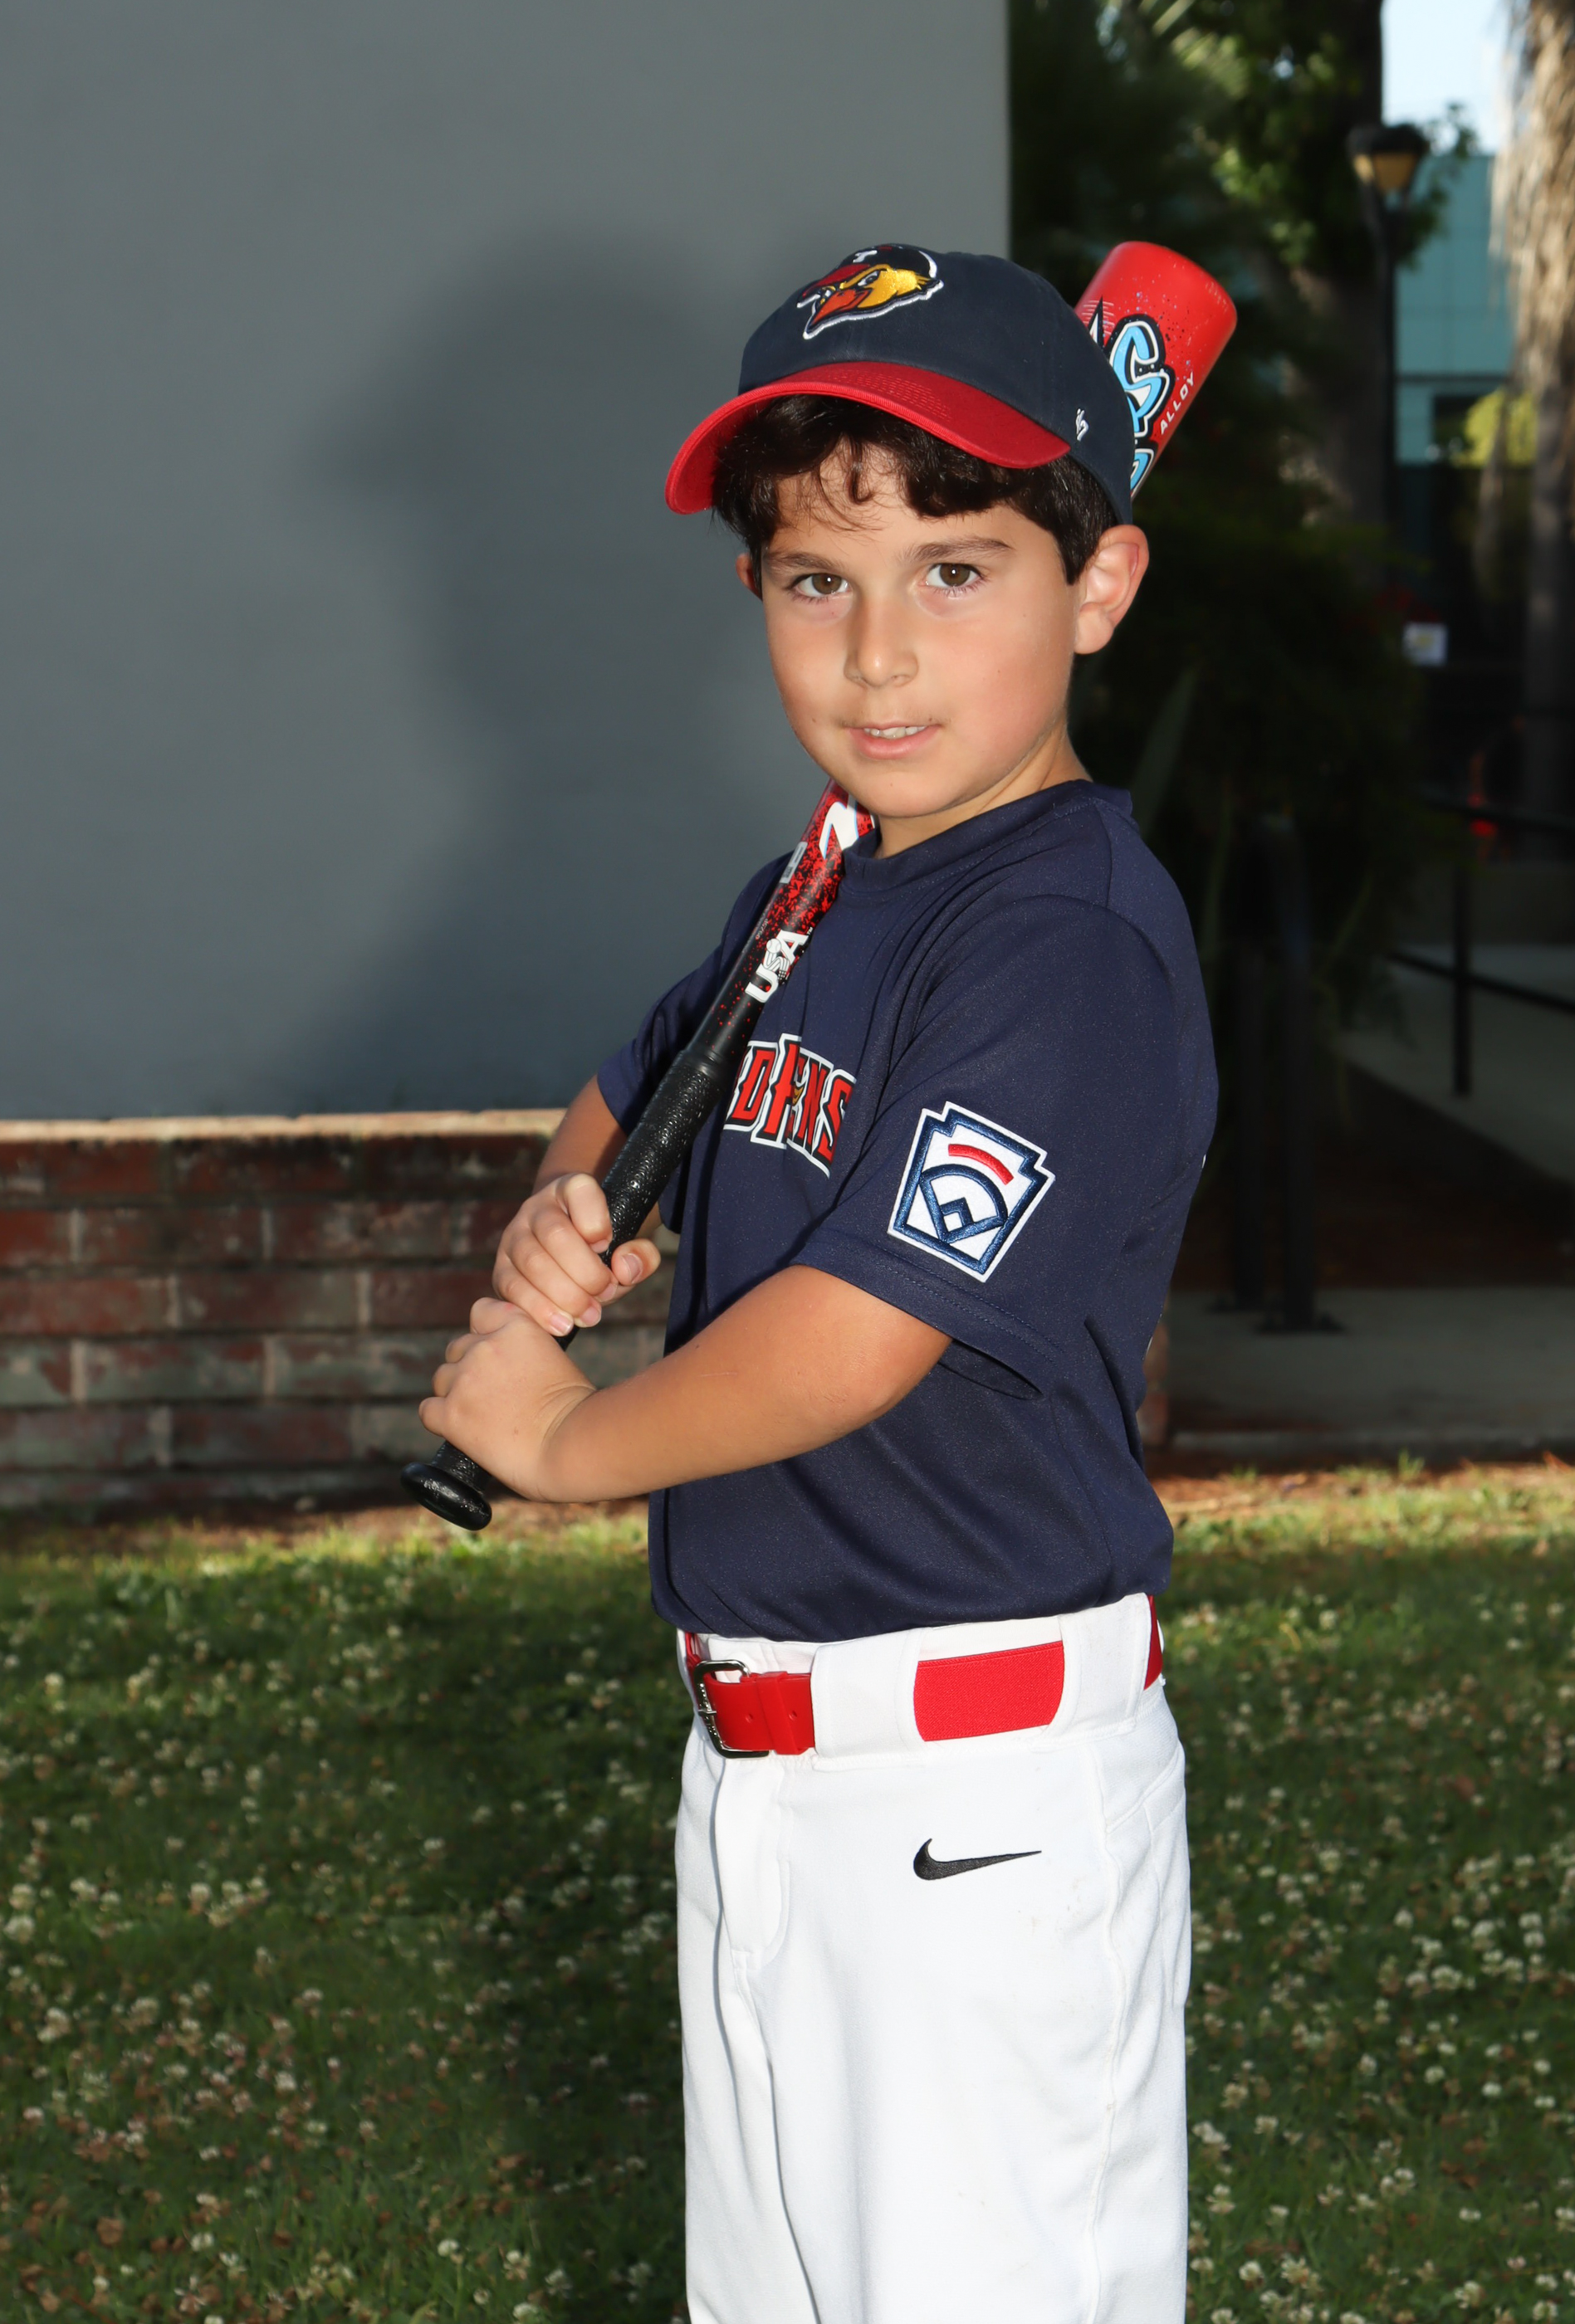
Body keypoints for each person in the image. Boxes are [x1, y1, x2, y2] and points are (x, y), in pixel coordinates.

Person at [421, 243, 1217, 2324]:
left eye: (956, 570)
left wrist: (572, 1439)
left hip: (975, 1807)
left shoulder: (1063, 943)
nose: (876, 653)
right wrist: (568, 1214)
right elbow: (629, 1093)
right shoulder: (828, 882)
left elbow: (858, 1333)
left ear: (1099, 587)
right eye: (813, 580)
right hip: (770, 1777)